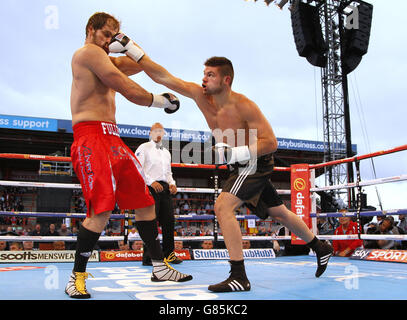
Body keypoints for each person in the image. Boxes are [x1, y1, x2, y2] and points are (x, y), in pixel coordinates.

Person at [109, 35, 334, 292]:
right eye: (204, 73)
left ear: (226, 80)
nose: (204, 79)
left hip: (254, 162)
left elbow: (271, 142)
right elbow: (164, 77)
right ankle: (319, 246)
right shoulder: (199, 95)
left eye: (211, 75)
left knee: (222, 206)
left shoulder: (245, 106)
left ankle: (239, 275)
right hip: (239, 165)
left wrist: (237, 152)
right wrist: (134, 50)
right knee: (278, 212)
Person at [65, 12, 192, 299]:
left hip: (113, 139)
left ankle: (159, 266)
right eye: (106, 34)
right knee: (101, 210)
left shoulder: (105, 57)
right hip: (90, 139)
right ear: (91, 29)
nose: (110, 40)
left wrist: (133, 48)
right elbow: (123, 85)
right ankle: (77, 277)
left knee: (145, 201)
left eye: (113, 36)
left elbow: (136, 66)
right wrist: (160, 101)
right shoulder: (86, 53)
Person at [135, 122, 182, 265]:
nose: (158, 133)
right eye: (155, 130)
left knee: (168, 221)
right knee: (150, 222)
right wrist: (151, 181)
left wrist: (172, 183)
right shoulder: (144, 147)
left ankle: (169, 254)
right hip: (149, 187)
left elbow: (168, 172)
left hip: (164, 187)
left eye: (160, 130)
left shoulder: (166, 152)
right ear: (150, 133)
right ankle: (149, 256)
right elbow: (138, 168)